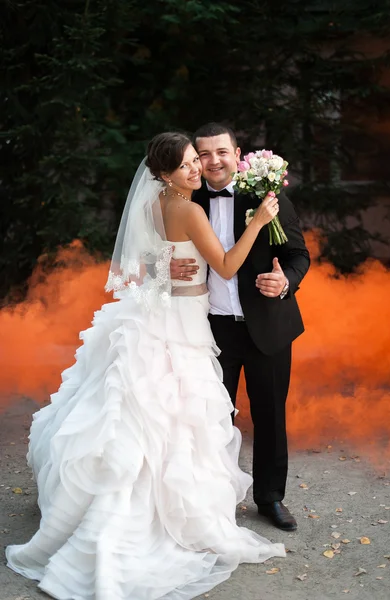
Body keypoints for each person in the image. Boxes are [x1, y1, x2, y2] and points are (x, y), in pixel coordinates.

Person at [6, 132, 286, 600]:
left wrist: (167, 268)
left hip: (156, 309)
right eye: (183, 166)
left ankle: (121, 501)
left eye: (195, 160)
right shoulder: (191, 210)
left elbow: (144, 266)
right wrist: (257, 223)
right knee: (173, 415)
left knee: (143, 407)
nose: (195, 169)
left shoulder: (152, 203)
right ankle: (160, 512)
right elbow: (226, 266)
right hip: (181, 322)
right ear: (162, 174)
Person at [171, 123, 310, 532]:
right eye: (204, 154)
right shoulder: (185, 199)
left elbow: (299, 253)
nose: (213, 161)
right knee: (212, 418)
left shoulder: (266, 196)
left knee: (269, 415)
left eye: (221, 152)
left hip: (268, 325)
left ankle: (270, 499)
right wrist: (161, 266)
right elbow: (147, 250)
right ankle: (213, 501)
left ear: (237, 153)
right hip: (210, 330)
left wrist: (286, 282)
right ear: (195, 159)